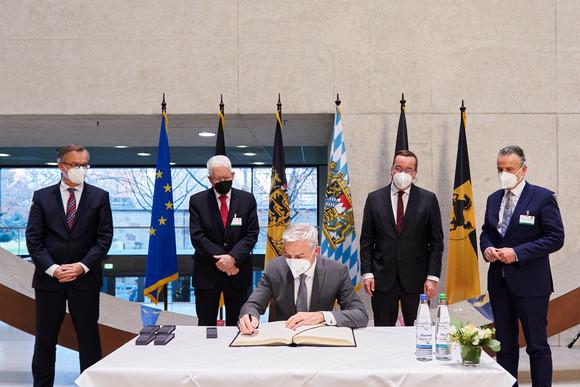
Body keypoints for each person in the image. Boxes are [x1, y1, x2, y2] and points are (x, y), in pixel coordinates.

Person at [25, 144, 113, 387]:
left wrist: (82, 266)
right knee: (45, 340)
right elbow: (34, 239)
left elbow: (104, 239)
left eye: (84, 164)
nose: (81, 169)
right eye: (75, 165)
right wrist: (53, 269)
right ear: (61, 166)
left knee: (89, 339)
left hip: (84, 279)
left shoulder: (100, 196)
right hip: (49, 281)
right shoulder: (42, 196)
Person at [480, 145, 564, 386]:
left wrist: (516, 253)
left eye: (509, 168)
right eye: (499, 169)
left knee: (537, 346)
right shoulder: (494, 198)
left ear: (523, 170)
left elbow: (555, 238)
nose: (503, 173)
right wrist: (487, 249)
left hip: (531, 285)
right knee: (505, 347)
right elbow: (486, 232)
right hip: (499, 283)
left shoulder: (542, 197)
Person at [360, 149, 444, 326]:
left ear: (415, 173)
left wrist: (432, 277)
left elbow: (436, 243)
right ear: (391, 169)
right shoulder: (374, 199)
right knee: (383, 333)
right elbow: (367, 241)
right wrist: (367, 273)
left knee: (419, 332)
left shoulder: (428, 199)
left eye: (408, 169)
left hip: (417, 281)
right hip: (382, 279)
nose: (402, 173)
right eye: (399, 168)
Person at [238, 223, 368, 334]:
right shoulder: (274, 268)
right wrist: (249, 317)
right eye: (288, 255)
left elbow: (360, 314)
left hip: (321, 340)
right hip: (282, 340)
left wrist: (322, 316)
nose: (293, 262)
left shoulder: (336, 271)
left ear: (316, 251)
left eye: (300, 256)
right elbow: (253, 304)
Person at [189, 155, 259, 326]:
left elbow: (251, 234)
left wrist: (233, 258)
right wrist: (225, 260)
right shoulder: (197, 201)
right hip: (207, 273)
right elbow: (197, 237)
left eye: (226, 178)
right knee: (206, 325)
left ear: (232, 175)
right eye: (218, 179)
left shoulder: (247, 200)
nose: (223, 181)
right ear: (210, 179)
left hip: (237, 272)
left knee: (239, 325)